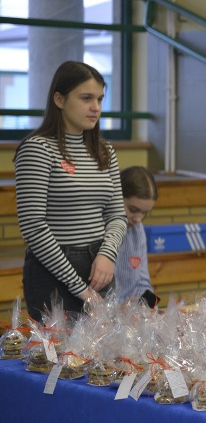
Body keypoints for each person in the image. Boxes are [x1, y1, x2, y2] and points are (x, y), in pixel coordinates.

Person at [14, 60, 127, 321]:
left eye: (100, 98)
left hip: (99, 265)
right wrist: (80, 289)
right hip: (54, 268)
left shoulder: (105, 150)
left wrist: (107, 255)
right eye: (86, 98)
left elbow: (117, 215)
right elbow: (33, 226)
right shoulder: (38, 149)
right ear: (59, 99)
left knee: (100, 358)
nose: (96, 107)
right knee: (59, 359)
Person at [114, 165, 160, 308]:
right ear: (116, 196)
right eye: (133, 210)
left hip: (128, 319)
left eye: (145, 213)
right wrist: (116, 309)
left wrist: (147, 306)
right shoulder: (94, 229)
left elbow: (142, 282)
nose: (138, 219)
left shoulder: (137, 230)